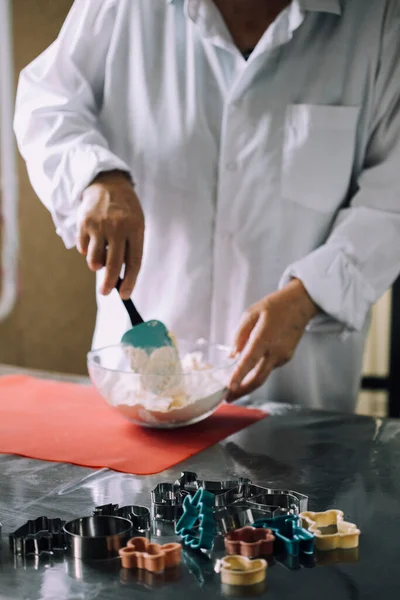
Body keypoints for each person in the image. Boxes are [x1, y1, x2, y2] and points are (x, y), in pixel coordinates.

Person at [14, 0, 400, 412]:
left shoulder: (379, 19)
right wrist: (94, 175)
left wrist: (313, 294)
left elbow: (390, 198)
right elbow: (48, 101)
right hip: (139, 397)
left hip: (297, 393)